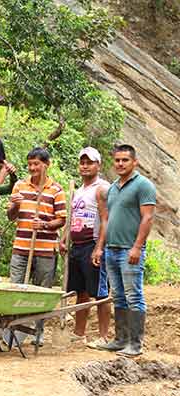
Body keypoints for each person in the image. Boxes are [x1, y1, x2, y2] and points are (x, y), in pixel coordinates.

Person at [98, 144, 156, 357]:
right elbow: (108, 219)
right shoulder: (113, 187)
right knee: (119, 297)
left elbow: (148, 217)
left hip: (129, 250)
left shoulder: (143, 185)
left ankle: (135, 344)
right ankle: (120, 340)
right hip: (112, 250)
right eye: (117, 160)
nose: (120, 164)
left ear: (134, 162)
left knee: (134, 296)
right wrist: (102, 247)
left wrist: (137, 247)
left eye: (125, 160)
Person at [7, 147, 66, 346]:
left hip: (45, 249)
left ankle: (38, 332)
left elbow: (61, 220)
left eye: (36, 164)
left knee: (41, 292)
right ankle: (14, 330)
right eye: (30, 164)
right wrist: (14, 205)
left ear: (46, 165)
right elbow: (11, 216)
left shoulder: (56, 190)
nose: (32, 168)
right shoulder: (20, 187)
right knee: (16, 288)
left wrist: (45, 225)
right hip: (21, 247)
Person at [59, 147, 111, 348]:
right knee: (81, 291)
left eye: (89, 162)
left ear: (98, 165)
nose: (85, 166)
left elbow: (106, 219)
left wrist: (99, 248)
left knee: (100, 292)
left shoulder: (102, 188)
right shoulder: (78, 191)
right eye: (82, 162)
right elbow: (73, 218)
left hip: (92, 244)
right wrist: (64, 238)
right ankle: (79, 333)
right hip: (77, 246)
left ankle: (104, 336)